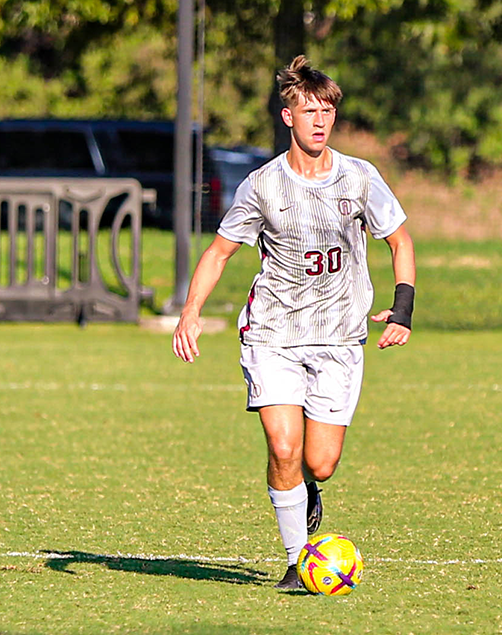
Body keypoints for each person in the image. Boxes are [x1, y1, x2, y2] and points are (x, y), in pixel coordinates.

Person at [172, 55, 416, 590]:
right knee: (283, 448)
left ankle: (308, 488)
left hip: (339, 337)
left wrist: (402, 310)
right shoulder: (262, 186)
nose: (320, 120)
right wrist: (190, 312)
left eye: (327, 110)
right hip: (274, 334)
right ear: (288, 116)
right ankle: (295, 559)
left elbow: (399, 240)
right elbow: (218, 253)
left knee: (319, 463)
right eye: (309, 110)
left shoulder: (359, 177)